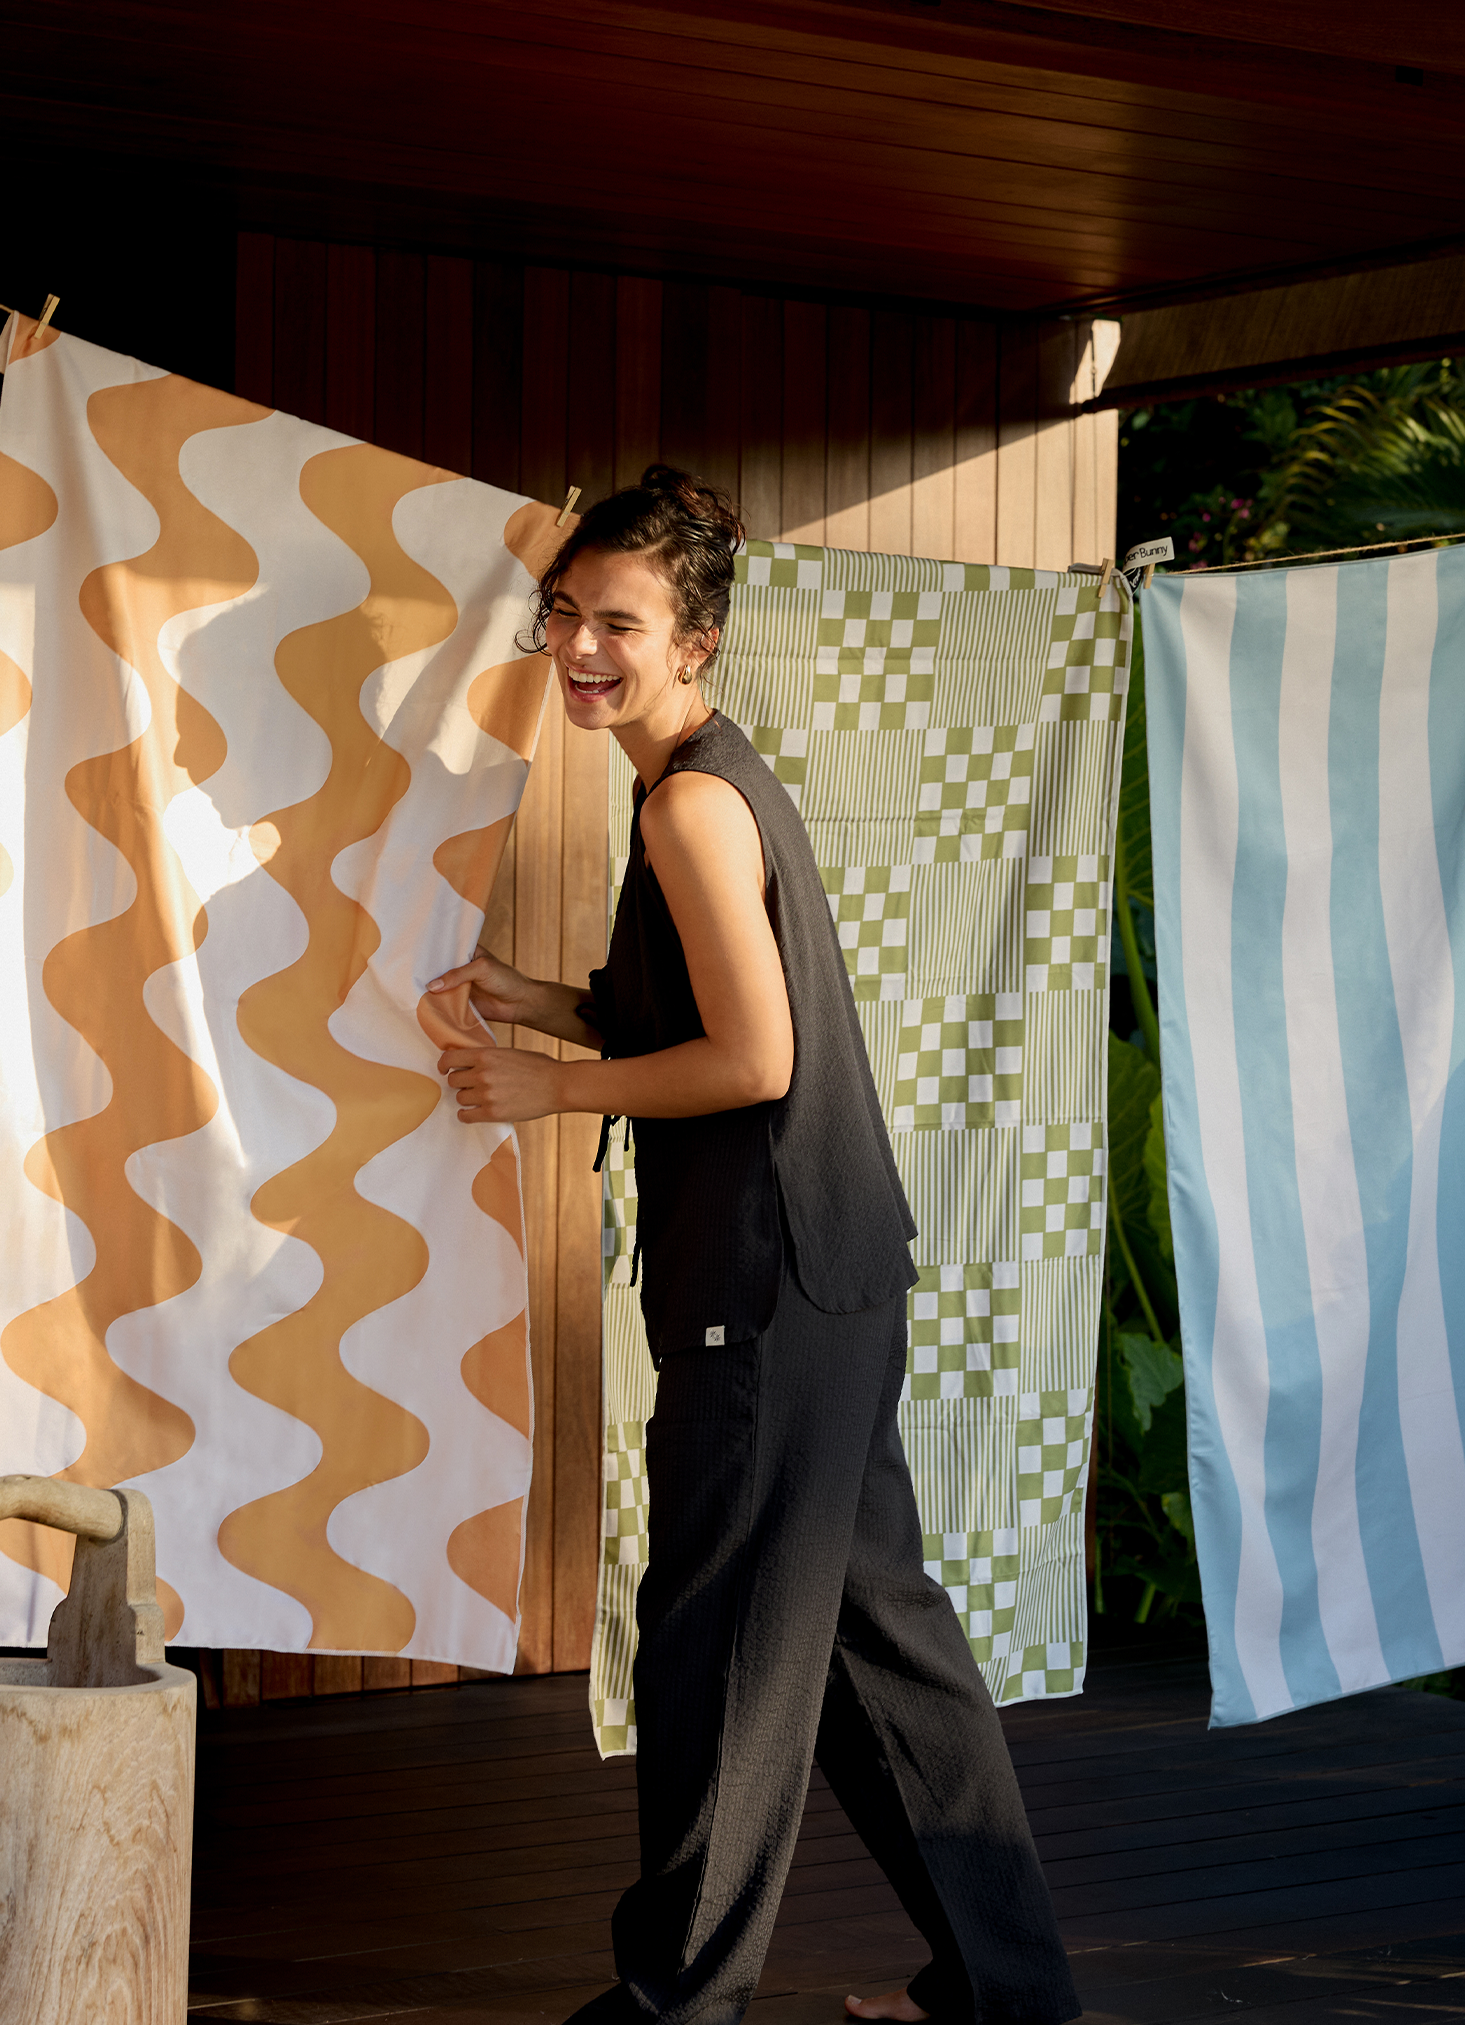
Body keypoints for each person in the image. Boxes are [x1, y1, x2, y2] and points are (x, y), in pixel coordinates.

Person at [425, 468, 1080, 2025]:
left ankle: (678, 2006)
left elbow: (754, 1059)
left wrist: (549, 1090)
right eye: (566, 614)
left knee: (717, 1644)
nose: (582, 646)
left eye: (621, 622)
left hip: (767, 1290)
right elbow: (701, 1017)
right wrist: (543, 1003)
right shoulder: (705, 780)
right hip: (829, 1273)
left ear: (696, 639)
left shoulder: (689, 806)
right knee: (876, 1644)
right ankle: (1007, 1989)